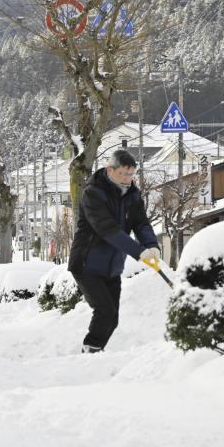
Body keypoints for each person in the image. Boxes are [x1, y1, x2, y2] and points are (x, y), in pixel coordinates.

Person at [67, 150, 160, 354]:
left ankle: (93, 352)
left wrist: (152, 245)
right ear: (110, 170)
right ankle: (90, 352)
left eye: (131, 174)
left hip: (112, 266)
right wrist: (138, 252)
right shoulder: (93, 192)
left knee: (113, 318)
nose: (128, 179)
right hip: (86, 264)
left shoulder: (132, 193)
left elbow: (141, 223)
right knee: (105, 311)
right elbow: (107, 230)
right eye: (124, 174)